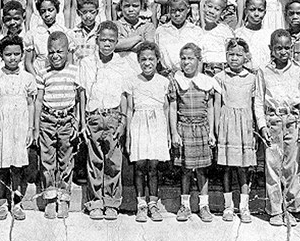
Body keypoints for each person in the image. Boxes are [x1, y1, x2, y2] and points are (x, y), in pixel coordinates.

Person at [79, 21, 134, 220]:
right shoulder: (87, 63)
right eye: (104, 40)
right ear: (97, 40)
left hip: (113, 117)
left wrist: (123, 122)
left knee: (113, 162)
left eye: (111, 40)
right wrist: (83, 122)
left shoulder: (122, 64)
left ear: (117, 42)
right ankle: (95, 203)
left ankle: (111, 202)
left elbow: (125, 96)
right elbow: (83, 94)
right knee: (94, 162)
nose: (107, 44)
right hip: (94, 117)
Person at [255, 30, 300, 227]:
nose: (283, 52)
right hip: (273, 120)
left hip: (292, 120)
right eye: (278, 48)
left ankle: (291, 208)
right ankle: (275, 210)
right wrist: (262, 126)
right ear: (271, 49)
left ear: (291, 48)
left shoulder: (299, 70)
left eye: (287, 48)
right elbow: (259, 100)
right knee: (273, 166)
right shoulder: (263, 71)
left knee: (291, 166)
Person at [0, 35, 36, 221]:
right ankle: (1, 202)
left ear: (23, 55)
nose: (13, 58)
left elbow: (31, 103)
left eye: (17, 54)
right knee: (1, 165)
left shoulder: (28, 78)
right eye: (8, 54)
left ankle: (17, 202)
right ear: (1, 55)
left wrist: (31, 128)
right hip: (0, 125)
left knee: (17, 165)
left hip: (20, 125)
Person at [35, 31, 82, 219]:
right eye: (51, 52)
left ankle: (64, 197)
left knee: (66, 160)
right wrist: (36, 126)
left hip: (67, 120)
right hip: (47, 120)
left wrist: (77, 122)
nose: (55, 56)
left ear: (67, 52)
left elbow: (79, 99)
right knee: (47, 160)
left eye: (60, 52)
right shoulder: (43, 73)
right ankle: (50, 198)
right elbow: (38, 100)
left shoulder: (74, 71)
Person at [169, 43, 216, 223]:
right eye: (183, 58)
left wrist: (211, 132)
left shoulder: (206, 81)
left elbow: (210, 107)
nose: (186, 62)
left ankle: (204, 206)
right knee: (186, 170)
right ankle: (185, 205)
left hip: (202, 127)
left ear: (199, 60)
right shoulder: (177, 81)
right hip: (184, 128)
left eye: (190, 58)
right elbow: (173, 107)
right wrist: (174, 132)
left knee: (203, 170)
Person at [126, 42, 170, 223]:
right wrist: (128, 135)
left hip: (157, 124)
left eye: (151, 59)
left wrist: (167, 133)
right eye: (143, 59)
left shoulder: (164, 82)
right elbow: (129, 109)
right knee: (139, 166)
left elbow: (167, 108)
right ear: (138, 61)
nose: (147, 63)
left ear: (157, 60)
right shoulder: (132, 81)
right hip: (139, 125)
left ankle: (153, 203)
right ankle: (141, 205)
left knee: (153, 167)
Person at [215, 37, 257, 223]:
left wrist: (254, 128)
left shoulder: (252, 78)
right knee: (227, 168)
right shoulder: (220, 78)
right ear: (225, 56)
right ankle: (228, 206)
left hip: (245, 126)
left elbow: (256, 105)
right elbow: (217, 104)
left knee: (243, 168)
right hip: (227, 124)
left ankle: (244, 206)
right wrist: (217, 128)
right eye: (231, 54)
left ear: (245, 57)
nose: (234, 58)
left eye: (238, 55)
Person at [154, 0, 204, 75]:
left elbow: (200, 60)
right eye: (173, 10)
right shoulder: (161, 31)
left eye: (181, 10)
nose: (177, 14)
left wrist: (196, 79)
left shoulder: (196, 31)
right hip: (167, 76)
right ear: (168, 10)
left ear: (188, 9)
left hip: (190, 76)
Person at [24, 0, 70, 77]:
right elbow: (28, 62)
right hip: (39, 73)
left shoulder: (66, 32)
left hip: (60, 75)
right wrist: (37, 78)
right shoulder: (33, 34)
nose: (47, 14)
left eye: (50, 10)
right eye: (43, 11)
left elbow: (69, 60)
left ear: (57, 10)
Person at [115, 0, 156, 66]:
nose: (131, 9)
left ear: (141, 6)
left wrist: (124, 45)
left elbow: (148, 48)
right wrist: (138, 38)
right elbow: (114, 45)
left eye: (135, 6)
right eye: (127, 6)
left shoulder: (148, 26)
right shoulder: (115, 26)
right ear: (121, 6)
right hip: (120, 67)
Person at [235, 0, 273, 72]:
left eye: (260, 10)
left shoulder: (270, 35)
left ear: (265, 12)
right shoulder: (238, 34)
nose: (256, 14)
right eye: (252, 10)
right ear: (246, 11)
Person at [199, 0, 234, 75]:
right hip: (203, 71)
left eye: (217, 9)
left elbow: (231, 52)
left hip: (220, 71)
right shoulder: (196, 30)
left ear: (222, 13)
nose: (211, 11)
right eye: (209, 6)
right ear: (204, 6)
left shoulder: (225, 31)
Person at [69, 0, 100, 66]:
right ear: (78, 12)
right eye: (84, 12)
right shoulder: (72, 34)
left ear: (97, 12)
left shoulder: (101, 31)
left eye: (92, 12)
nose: (88, 16)